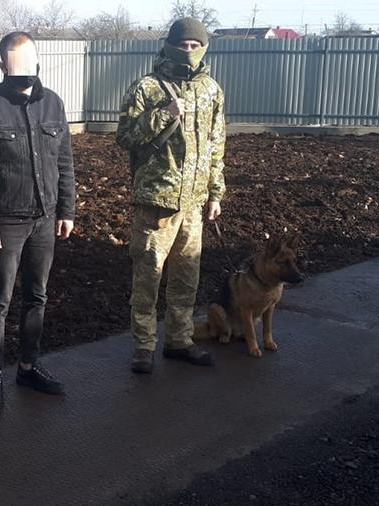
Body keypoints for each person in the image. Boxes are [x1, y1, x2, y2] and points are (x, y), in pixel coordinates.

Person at [0, 31, 75, 410]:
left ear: (38, 61)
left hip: (45, 219)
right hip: (7, 224)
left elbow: (64, 162)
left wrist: (66, 210)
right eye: (15, 63)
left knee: (37, 296)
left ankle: (28, 366)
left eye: (29, 61)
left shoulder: (53, 104)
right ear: (2, 65)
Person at [115, 17, 226, 375]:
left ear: (204, 47)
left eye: (195, 45)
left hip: (193, 204)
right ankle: (144, 346)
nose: (189, 51)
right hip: (156, 202)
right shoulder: (146, 88)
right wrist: (163, 114)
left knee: (185, 278)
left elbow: (216, 145)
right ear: (169, 45)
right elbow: (125, 137)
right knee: (147, 277)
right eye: (182, 44)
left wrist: (215, 193)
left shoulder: (211, 90)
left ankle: (179, 340)